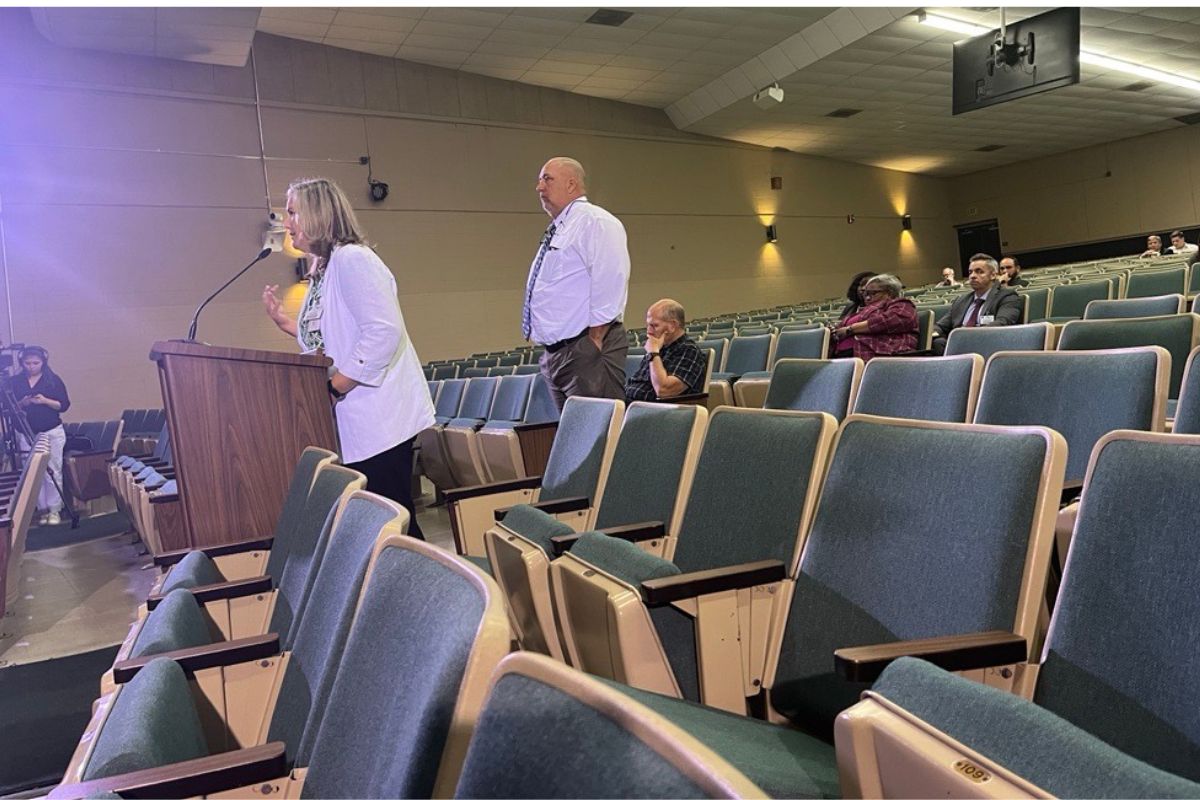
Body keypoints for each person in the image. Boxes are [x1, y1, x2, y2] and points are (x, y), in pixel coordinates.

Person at [262, 177, 434, 539]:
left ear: (317, 214)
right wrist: (287, 324)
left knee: (393, 525)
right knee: (381, 525)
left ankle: (421, 576)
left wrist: (334, 388)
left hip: (379, 417)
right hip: (359, 419)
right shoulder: (325, 268)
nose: (286, 223)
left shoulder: (353, 259)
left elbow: (383, 332)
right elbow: (334, 335)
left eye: (292, 212)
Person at [523, 156, 630, 411]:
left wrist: (594, 340)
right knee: (573, 432)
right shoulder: (560, 227)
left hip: (585, 349)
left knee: (598, 429)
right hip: (558, 355)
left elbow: (611, 279)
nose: (539, 187)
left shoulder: (595, 221)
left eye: (547, 179)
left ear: (571, 184)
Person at [8, 346, 70, 525]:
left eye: (35, 363)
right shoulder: (15, 382)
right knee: (33, 473)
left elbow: (64, 405)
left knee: (53, 470)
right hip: (25, 431)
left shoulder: (52, 379)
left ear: (43, 362)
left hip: (51, 429)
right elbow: (8, 408)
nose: (31, 366)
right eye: (27, 363)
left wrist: (44, 401)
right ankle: (42, 510)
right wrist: (23, 403)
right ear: (22, 363)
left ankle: (54, 510)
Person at [932, 253, 1023, 355]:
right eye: (970, 272)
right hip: (957, 347)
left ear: (993, 275)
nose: (973, 276)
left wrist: (967, 335)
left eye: (979, 272)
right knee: (937, 342)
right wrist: (934, 334)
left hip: (986, 346)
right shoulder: (961, 300)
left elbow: (1002, 323)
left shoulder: (1007, 297)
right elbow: (940, 326)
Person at [625, 299, 706, 402]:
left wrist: (653, 354)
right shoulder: (659, 347)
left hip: (650, 409)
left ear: (672, 325)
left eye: (654, 326)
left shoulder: (689, 351)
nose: (648, 332)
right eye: (648, 325)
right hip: (629, 403)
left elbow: (663, 390)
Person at [830, 274, 918, 361]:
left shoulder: (901, 304)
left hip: (878, 355)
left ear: (889, 293)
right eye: (865, 294)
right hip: (843, 356)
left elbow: (888, 320)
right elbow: (840, 327)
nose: (867, 298)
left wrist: (850, 329)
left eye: (873, 293)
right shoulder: (862, 310)